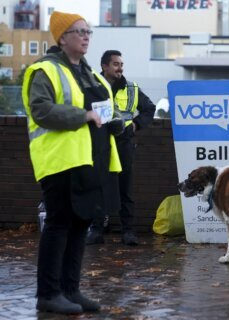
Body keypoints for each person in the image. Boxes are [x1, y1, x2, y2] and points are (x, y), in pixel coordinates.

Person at [22, 11, 124, 314]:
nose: (85, 36)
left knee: (81, 225)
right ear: (62, 37)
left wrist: (116, 122)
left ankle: (70, 290)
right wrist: (83, 116)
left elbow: (102, 111)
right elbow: (41, 110)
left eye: (88, 31)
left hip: (90, 161)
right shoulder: (45, 70)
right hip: (60, 160)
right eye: (78, 31)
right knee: (58, 224)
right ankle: (48, 293)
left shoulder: (89, 74)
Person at [86, 50, 155, 246]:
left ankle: (128, 232)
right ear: (104, 66)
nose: (120, 68)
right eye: (116, 64)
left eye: (121, 64)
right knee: (98, 187)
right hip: (100, 145)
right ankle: (96, 230)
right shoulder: (93, 87)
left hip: (124, 144)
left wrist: (135, 125)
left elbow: (149, 108)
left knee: (125, 189)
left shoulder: (131, 88)